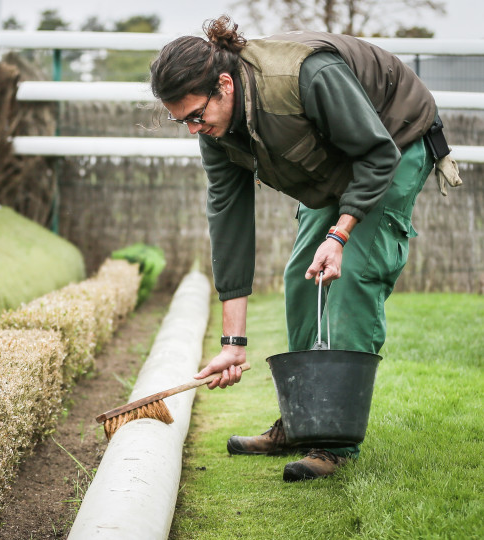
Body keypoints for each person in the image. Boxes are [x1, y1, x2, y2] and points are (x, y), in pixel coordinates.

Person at [149, 16, 462, 481]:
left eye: (196, 115)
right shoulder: (216, 131)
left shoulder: (304, 76)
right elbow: (229, 220)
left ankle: (334, 442)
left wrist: (338, 236)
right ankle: (300, 423)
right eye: (182, 122)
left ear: (225, 84)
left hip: (393, 141)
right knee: (301, 275)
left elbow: (376, 155)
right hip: (338, 160)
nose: (193, 129)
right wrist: (233, 344)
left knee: (350, 274)